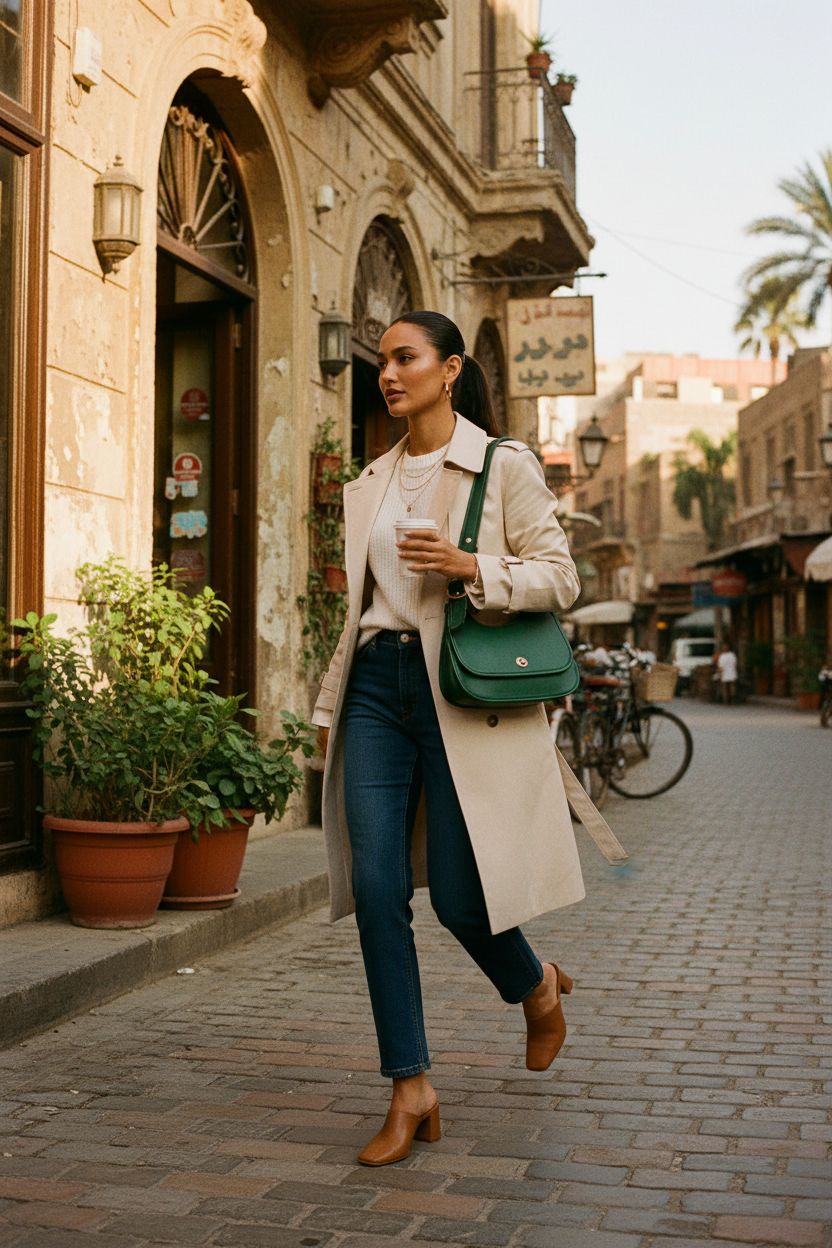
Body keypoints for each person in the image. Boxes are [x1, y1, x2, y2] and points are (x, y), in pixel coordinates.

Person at [312, 310, 585, 1168]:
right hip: (374, 692)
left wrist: (474, 569)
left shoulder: (502, 466)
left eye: (406, 358)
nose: (389, 373)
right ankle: (410, 1087)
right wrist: (328, 710)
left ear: (450, 368)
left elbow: (562, 578)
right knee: (378, 888)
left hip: (459, 693)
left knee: (465, 897)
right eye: (384, 361)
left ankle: (535, 985)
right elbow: (359, 611)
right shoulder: (372, 480)